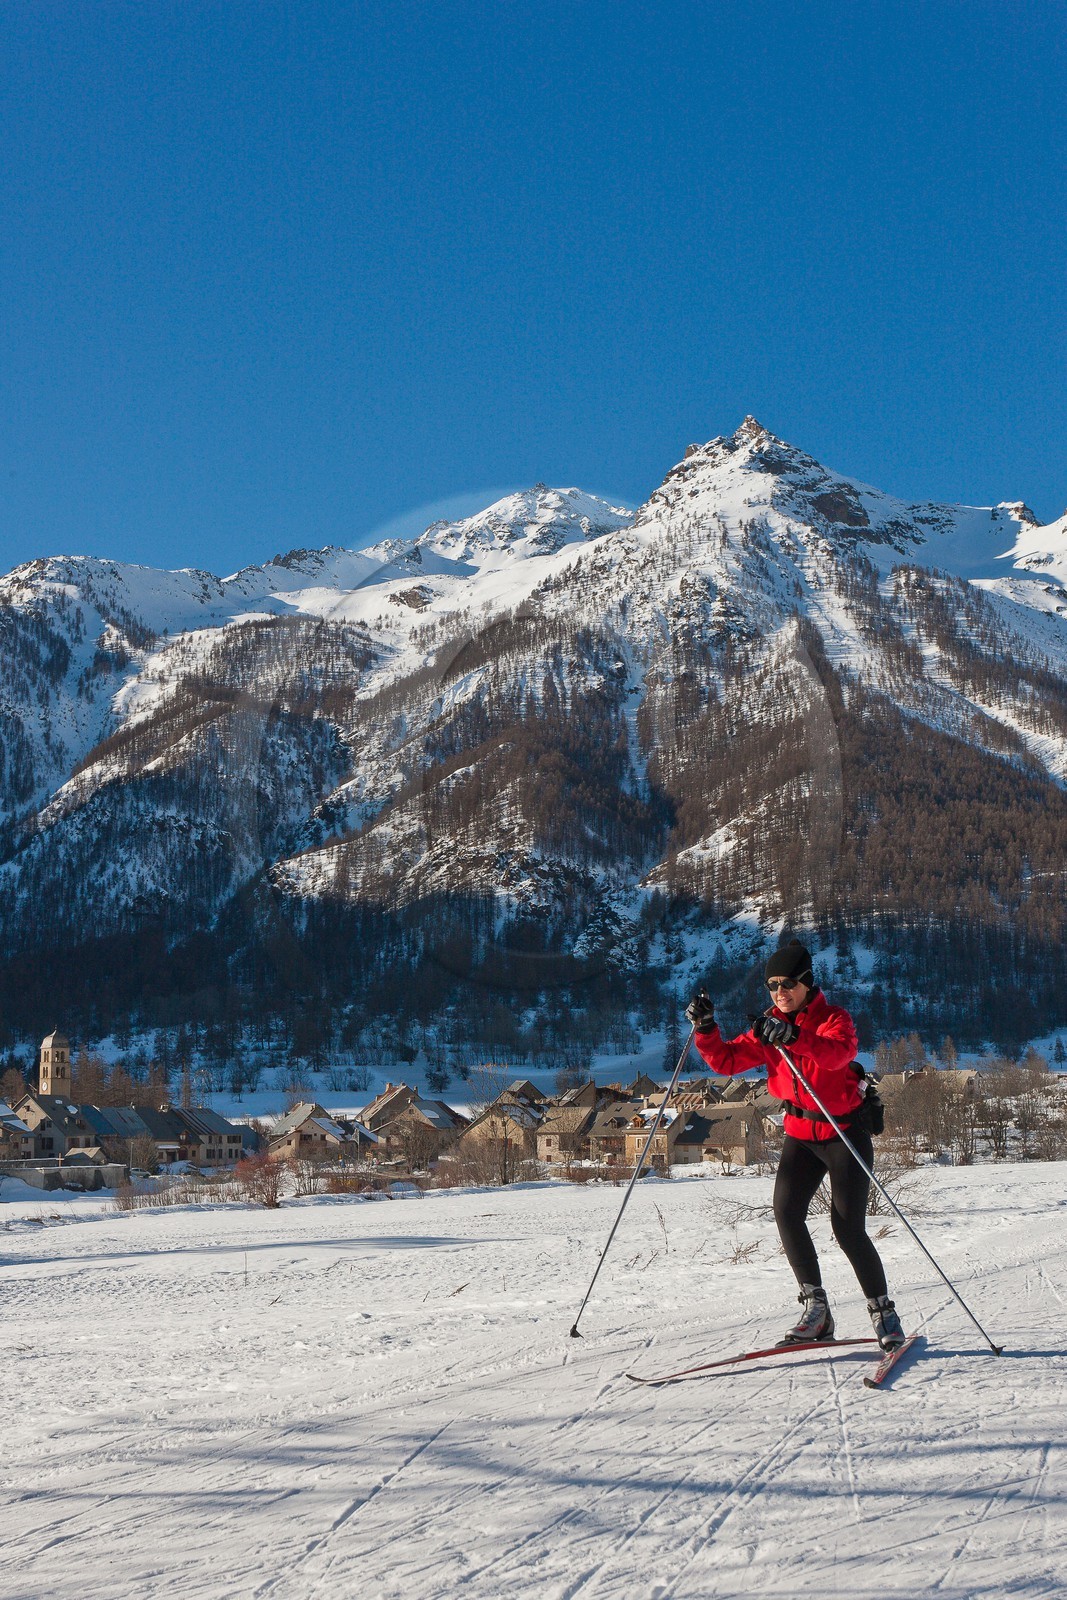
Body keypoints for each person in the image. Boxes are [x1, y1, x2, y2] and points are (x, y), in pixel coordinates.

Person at [685, 939, 906, 1351]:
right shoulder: (769, 1025)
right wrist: (707, 1030)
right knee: (786, 1213)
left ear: (807, 983)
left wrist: (794, 1036)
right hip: (801, 1136)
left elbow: (838, 1056)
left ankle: (883, 1313)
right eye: (772, 985)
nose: (779, 992)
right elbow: (727, 1061)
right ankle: (816, 1310)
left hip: (843, 1133)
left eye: (787, 983)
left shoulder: (833, 1019)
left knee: (847, 1228)